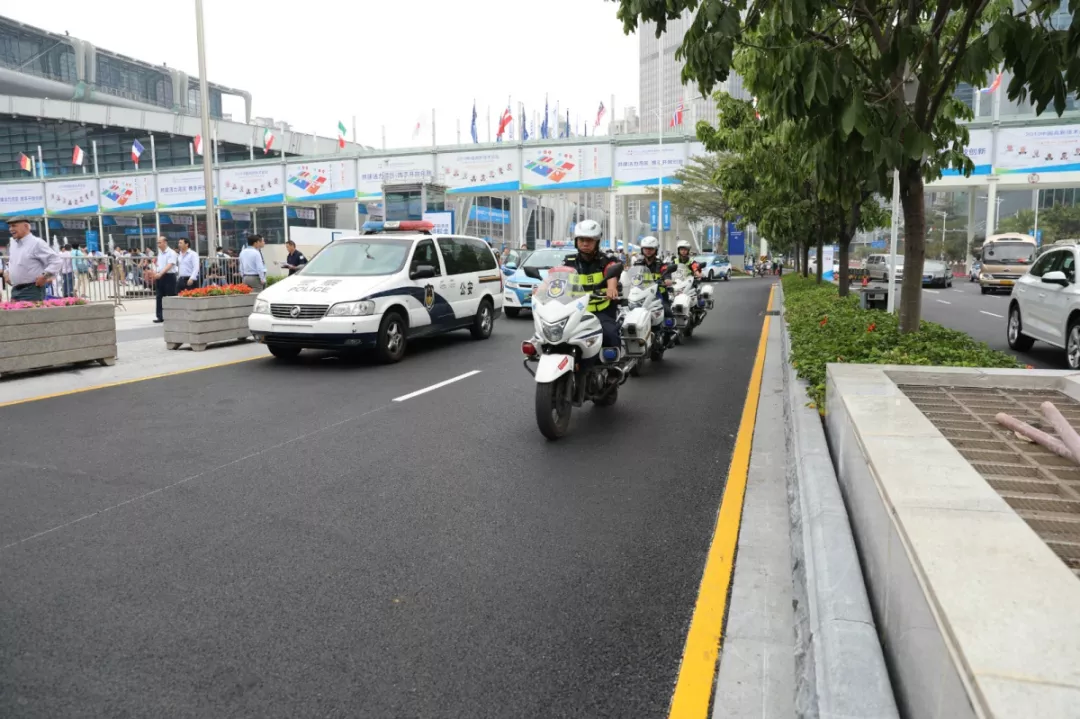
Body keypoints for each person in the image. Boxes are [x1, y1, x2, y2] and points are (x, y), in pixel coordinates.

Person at [562, 219, 623, 351]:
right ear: (576, 241)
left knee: (610, 335)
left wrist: (611, 288)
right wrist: (541, 289)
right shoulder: (569, 261)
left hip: (601, 311)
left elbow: (611, 274)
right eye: (581, 239)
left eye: (589, 240)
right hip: (574, 311)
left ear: (597, 242)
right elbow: (557, 279)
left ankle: (613, 363)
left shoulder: (606, 260)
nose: (585, 243)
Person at [4, 216, 60, 302]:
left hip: (32, 289)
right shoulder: (13, 244)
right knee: (16, 311)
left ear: (26, 226)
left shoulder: (37, 243)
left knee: (30, 311)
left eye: (14, 226)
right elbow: (14, 262)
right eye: (10, 226)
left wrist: (44, 276)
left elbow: (56, 261)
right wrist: (7, 272)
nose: (11, 229)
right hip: (15, 289)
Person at [634, 236, 673, 318]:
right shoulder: (637, 264)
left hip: (659, 295)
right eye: (646, 249)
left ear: (656, 250)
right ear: (642, 250)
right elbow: (631, 276)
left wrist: (667, 279)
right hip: (641, 295)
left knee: (667, 312)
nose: (648, 251)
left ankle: (672, 326)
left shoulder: (661, 264)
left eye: (651, 249)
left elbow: (666, 272)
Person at [152, 235, 178, 323]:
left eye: (160, 242)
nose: (158, 244)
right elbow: (159, 265)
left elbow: (169, 265)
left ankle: (172, 316)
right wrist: (156, 272)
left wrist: (160, 273)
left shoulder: (171, 253)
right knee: (159, 296)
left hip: (169, 276)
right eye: (157, 243)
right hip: (160, 276)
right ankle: (160, 316)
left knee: (170, 296)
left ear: (165, 242)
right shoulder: (160, 253)